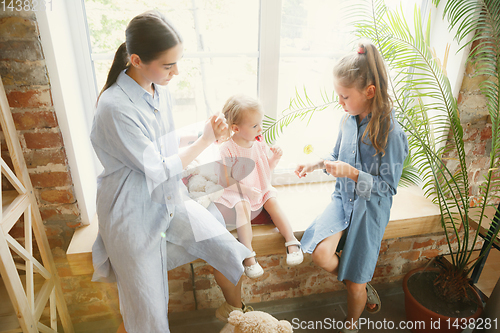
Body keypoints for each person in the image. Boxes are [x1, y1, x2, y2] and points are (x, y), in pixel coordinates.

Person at [90, 11, 253, 333]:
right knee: (148, 316)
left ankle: (234, 314)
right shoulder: (114, 107)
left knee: (229, 251)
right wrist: (206, 140)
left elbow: (161, 143)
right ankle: (138, 296)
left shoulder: (157, 91)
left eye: (177, 62)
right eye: (168, 65)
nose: (176, 72)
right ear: (136, 59)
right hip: (131, 209)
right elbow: (157, 166)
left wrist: (205, 134)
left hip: (169, 198)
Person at [295, 43, 408, 333]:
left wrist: (355, 174)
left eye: (345, 96)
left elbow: (387, 188)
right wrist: (316, 163)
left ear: (369, 92)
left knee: (355, 284)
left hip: (369, 213)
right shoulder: (347, 121)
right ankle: (359, 284)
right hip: (342, 200)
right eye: (338, 95)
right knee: (320, 254)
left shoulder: (391, 133)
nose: (340, 102)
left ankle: (352, 323)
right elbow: (335, 157)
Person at [214, 94, 304, 279]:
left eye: (260, 123)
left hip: (258, 186)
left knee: (272, 201)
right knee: (242, 205)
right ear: (236, 128)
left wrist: (274, 159)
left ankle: (291, 241)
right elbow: (225, 179)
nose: (260, 128)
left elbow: (264, 171)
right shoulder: (227, 149)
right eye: (255, 125)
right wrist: (245, 191)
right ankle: (248, 254)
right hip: (237, 190)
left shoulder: (258, 142)